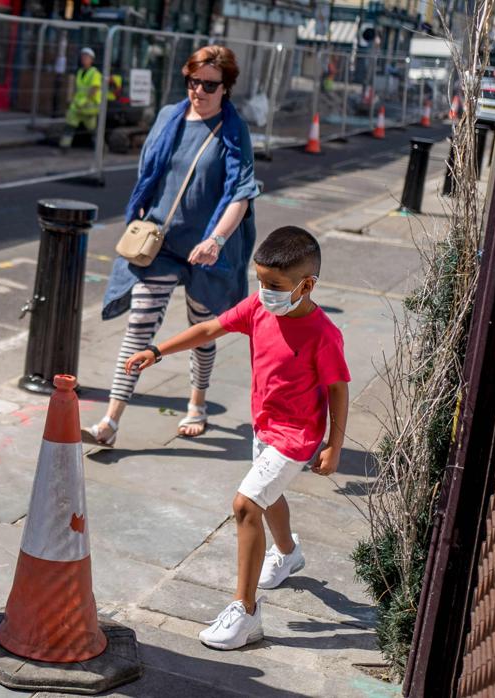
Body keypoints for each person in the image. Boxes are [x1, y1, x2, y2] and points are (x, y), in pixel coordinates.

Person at [124, 226, 350, 650]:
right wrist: (157, 352)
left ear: (307, 285)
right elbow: (210, 328)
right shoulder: (259, 309)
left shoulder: (323, 334)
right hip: (263, 425)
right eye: (261, 282)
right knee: (269, 498)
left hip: (298, 435)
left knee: (246, 505)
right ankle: (287, 552)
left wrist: (334, 447)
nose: (265, 292)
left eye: (276, 286)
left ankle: (245, 612)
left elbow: (338, 389)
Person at [84, 45, 256, 447]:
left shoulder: (234, 130)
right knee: (138, 328)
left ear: (226, 87)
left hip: (205, 249)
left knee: (201, 331)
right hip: (159, 243)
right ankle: (109, 422)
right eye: (193, 81)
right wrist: (142, 211)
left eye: (209, 85)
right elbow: (152, 172)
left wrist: (216, 240)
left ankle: (197, 403)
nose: (199, 91)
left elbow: (241, 193)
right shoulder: (169, 116)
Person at [60, 47, 103, 149]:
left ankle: (100, 149)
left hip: (89, 106)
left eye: (86, 57)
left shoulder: (95, 73)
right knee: (69, 126)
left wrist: (85, 101)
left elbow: (95, 88)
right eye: (83, 57)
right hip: (78, 105)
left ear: (92, 60)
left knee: (92, 130)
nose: (84, 59)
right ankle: (64, 147)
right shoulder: (79, 72)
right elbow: (77, 89)